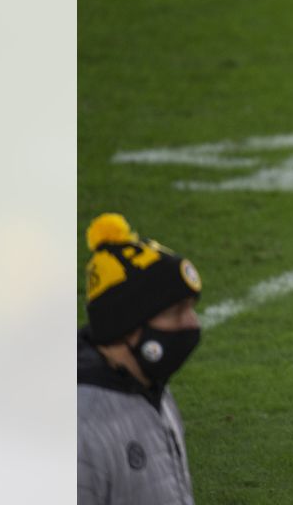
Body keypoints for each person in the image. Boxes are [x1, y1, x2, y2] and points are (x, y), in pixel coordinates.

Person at [78, 213, 204, 505]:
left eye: (191, 308)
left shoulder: (152, 390)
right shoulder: (78, 428)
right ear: (127, 324)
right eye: (176, 312)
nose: (192, 324)